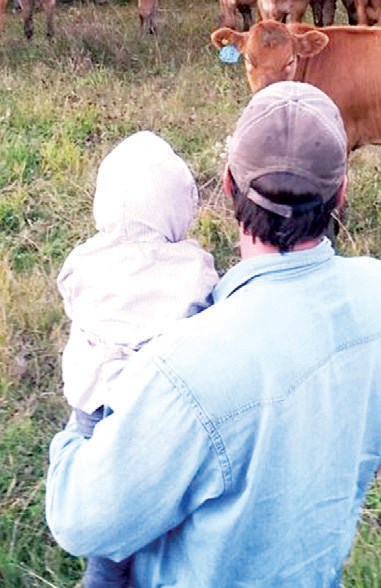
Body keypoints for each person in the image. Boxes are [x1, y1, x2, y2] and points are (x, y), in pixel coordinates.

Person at [46, 81, 381, 587]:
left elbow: (82, 521)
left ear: (227, 185)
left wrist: (80, 428)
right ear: (341, 192)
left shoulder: (182, 366)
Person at [56, 130, 218, 586]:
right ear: (179, 204)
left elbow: (70, 292)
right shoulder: (192, 267)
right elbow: (206, 308)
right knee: (150, 503)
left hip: (88, 407)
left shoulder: (83, 259)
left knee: (106, 522)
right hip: (149, 414)